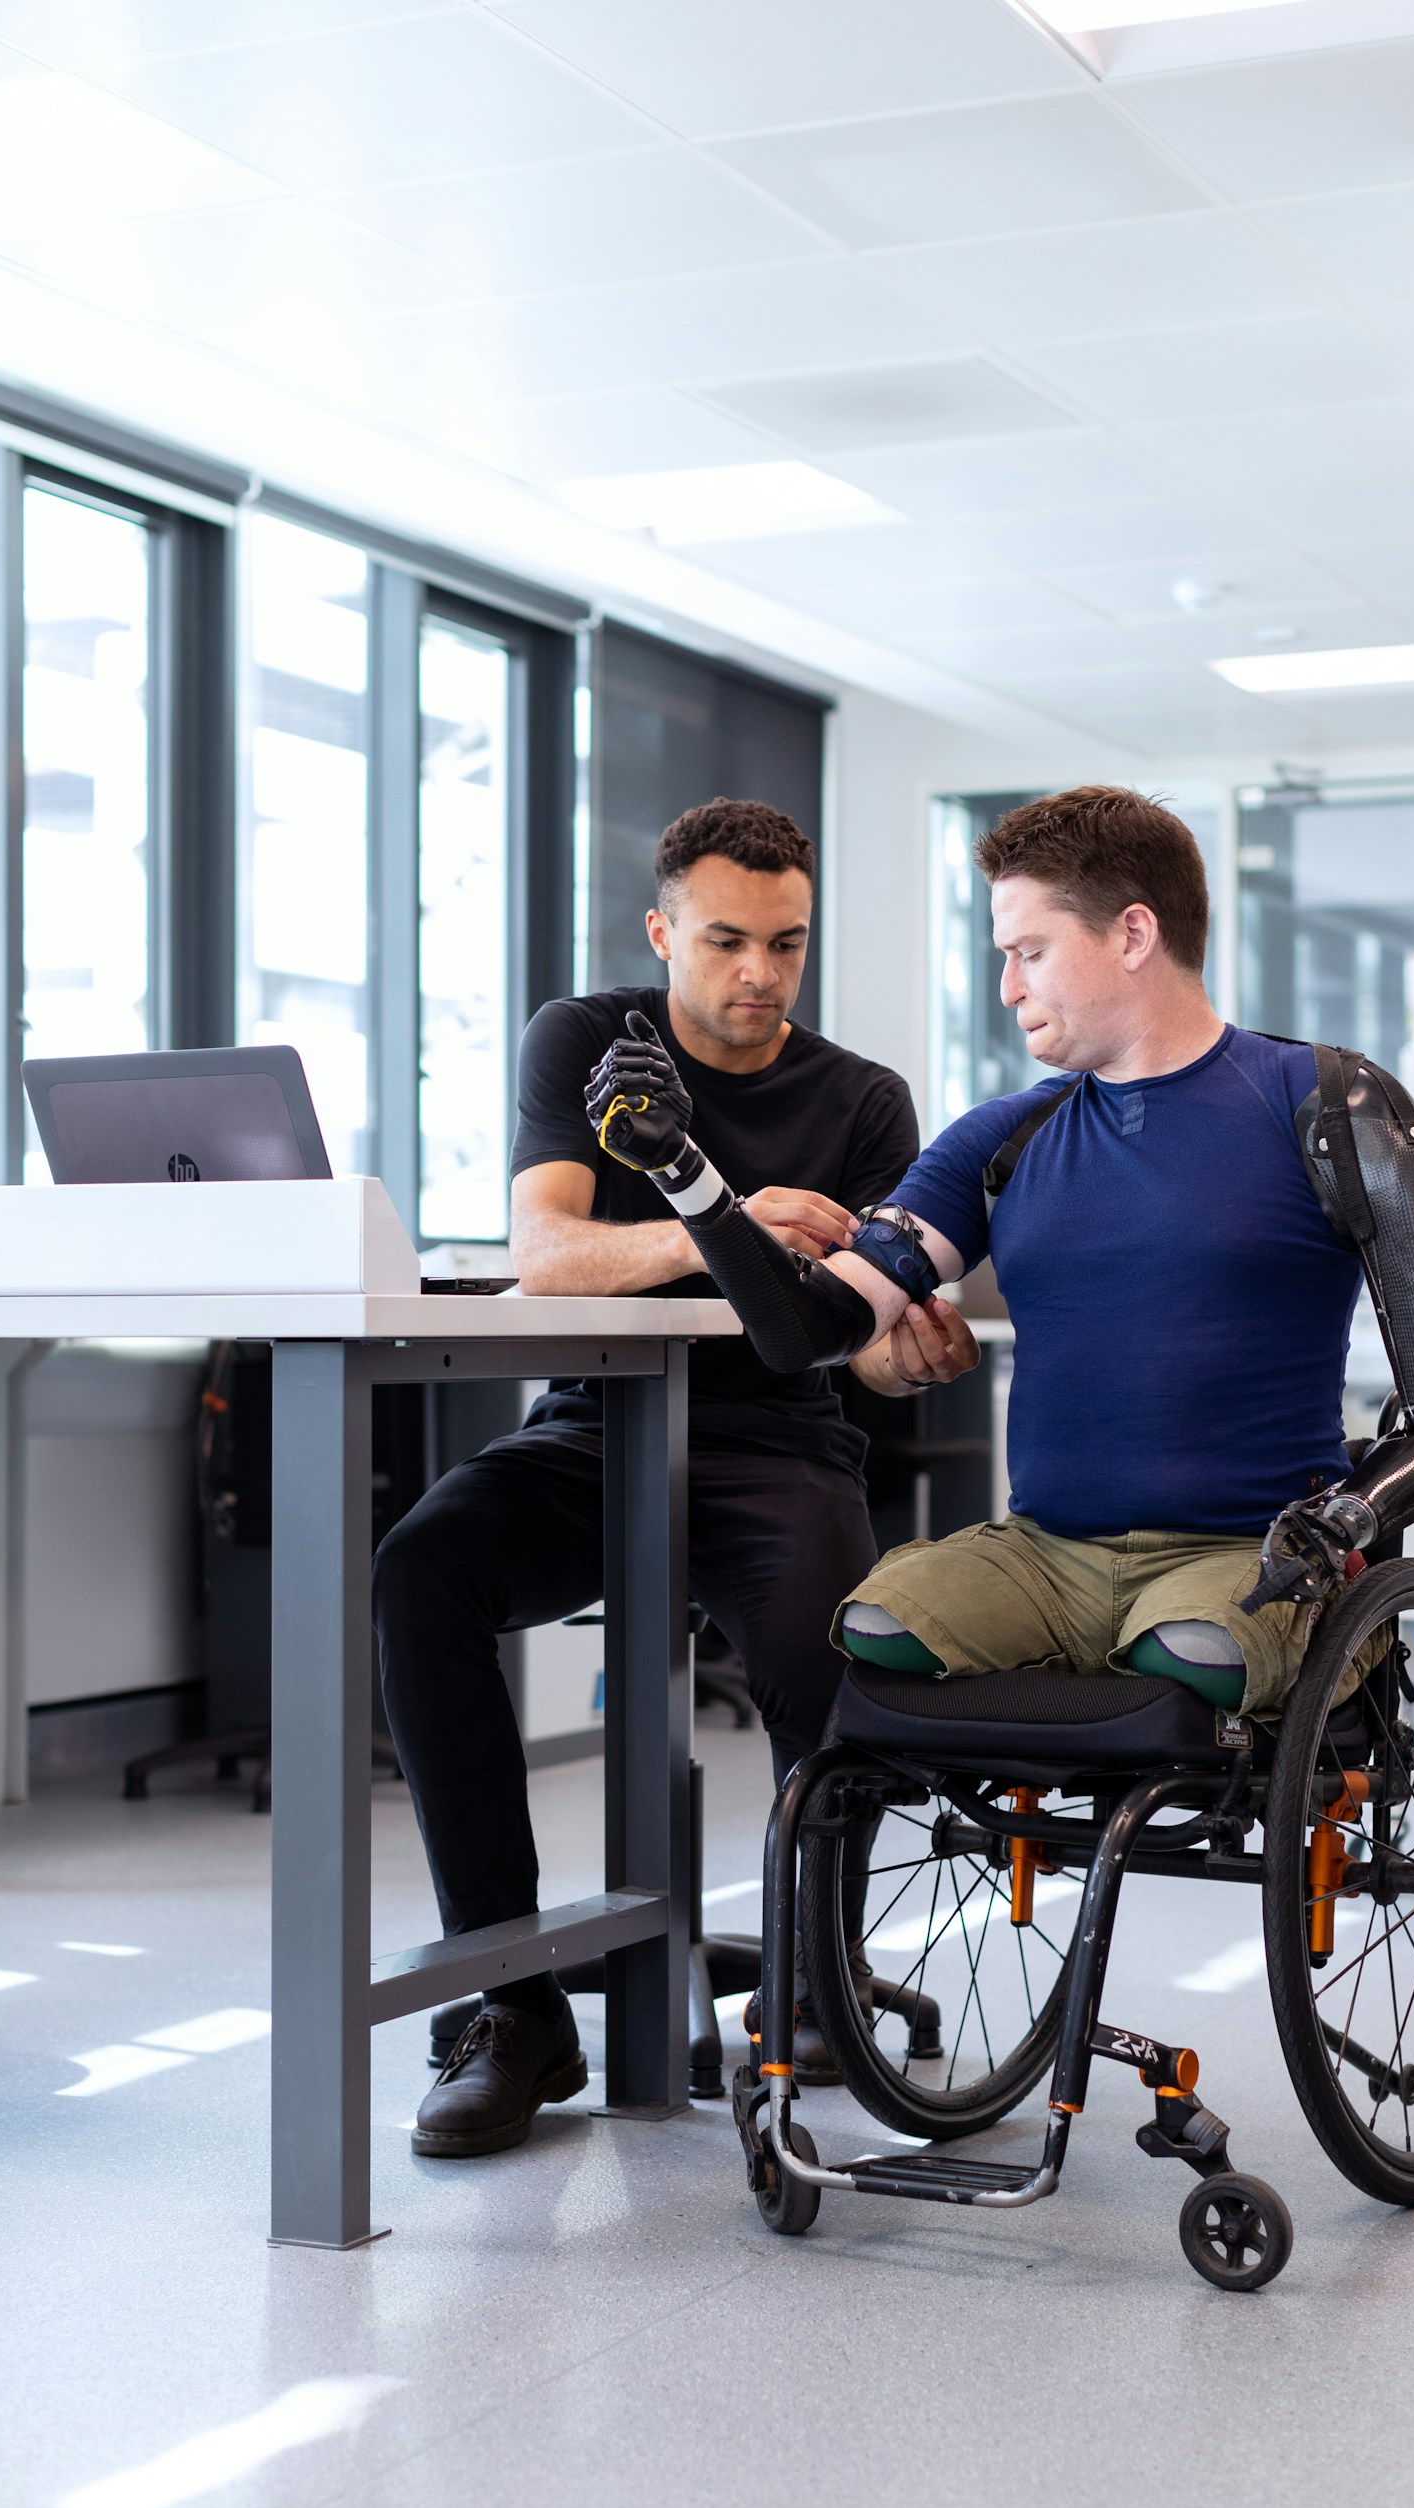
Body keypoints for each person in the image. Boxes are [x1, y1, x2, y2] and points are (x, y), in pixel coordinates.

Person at [585, 784, 1414, 1730]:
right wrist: (685, 1176)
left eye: (1028, 953)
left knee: (1189, 1654)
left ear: (1132, 935)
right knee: (875, 1627)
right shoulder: (1000, 1142)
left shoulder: (1333, 1111)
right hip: (1043, 1558)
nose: (1008, 987)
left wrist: (1347, 1520)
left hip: (1241, 1555)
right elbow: (810, 1329)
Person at [374, 795, 977, 2158]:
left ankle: (815, 1973)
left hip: (777, 1443)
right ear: (662, 932)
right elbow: (548, 1255)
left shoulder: (865, 1100)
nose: (756, 974)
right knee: (423, 1572)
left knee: (831, 1642)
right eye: (722, 941)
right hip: (594, 1428)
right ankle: (513, 2007)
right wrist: (723, 1221)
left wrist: (904, 1361)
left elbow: (862, 1351)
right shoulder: (587, 1044)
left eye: (785, 943)